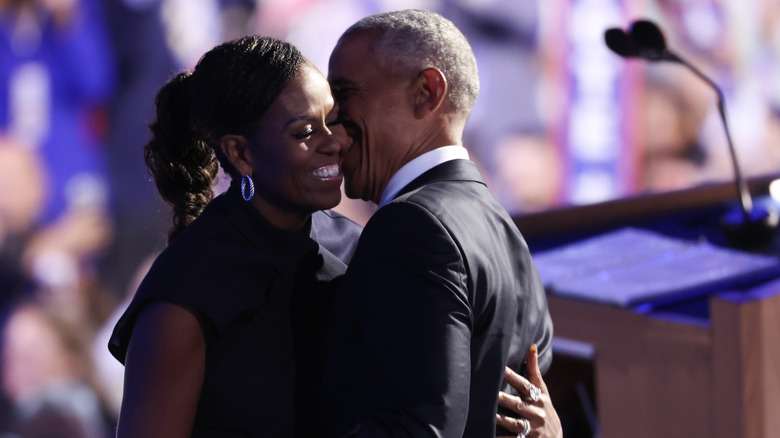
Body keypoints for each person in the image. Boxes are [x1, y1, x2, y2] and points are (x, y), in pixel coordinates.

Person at [107, 35, 362, 437]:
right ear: (241, 153)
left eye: (333, 120)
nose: (333, 143)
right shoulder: (184, 295)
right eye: (304, 132)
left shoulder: (357, 246)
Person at [320, 9, 556, 437]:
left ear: (426, 92)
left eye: (345, 94)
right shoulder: (506, 232)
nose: (331, 123)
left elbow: (417, 428)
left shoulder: (411, 227)